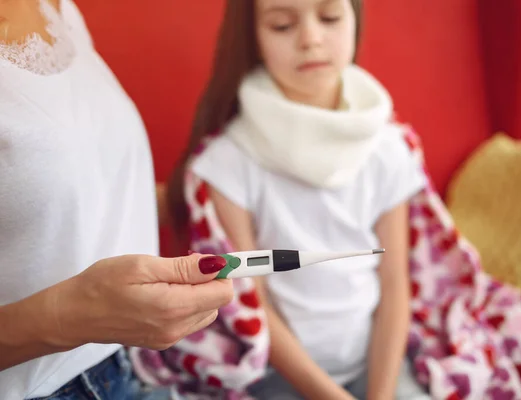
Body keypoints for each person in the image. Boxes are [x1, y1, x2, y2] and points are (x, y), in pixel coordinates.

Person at [167, 0, 432, 399]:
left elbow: (395, 284)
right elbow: (253, 302)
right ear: (253, 37)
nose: (310, 38)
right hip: (282, 377)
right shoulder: (227, 162)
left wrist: (380, 394)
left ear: (354, 21)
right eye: (282, 25)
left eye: (328, 18)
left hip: (378, 366)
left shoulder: (389, 147)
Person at [0, 1, 233, 399]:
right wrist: (67, 316)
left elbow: (69, 197)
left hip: (131, 368)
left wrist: (205, 202)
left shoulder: (58, 9)